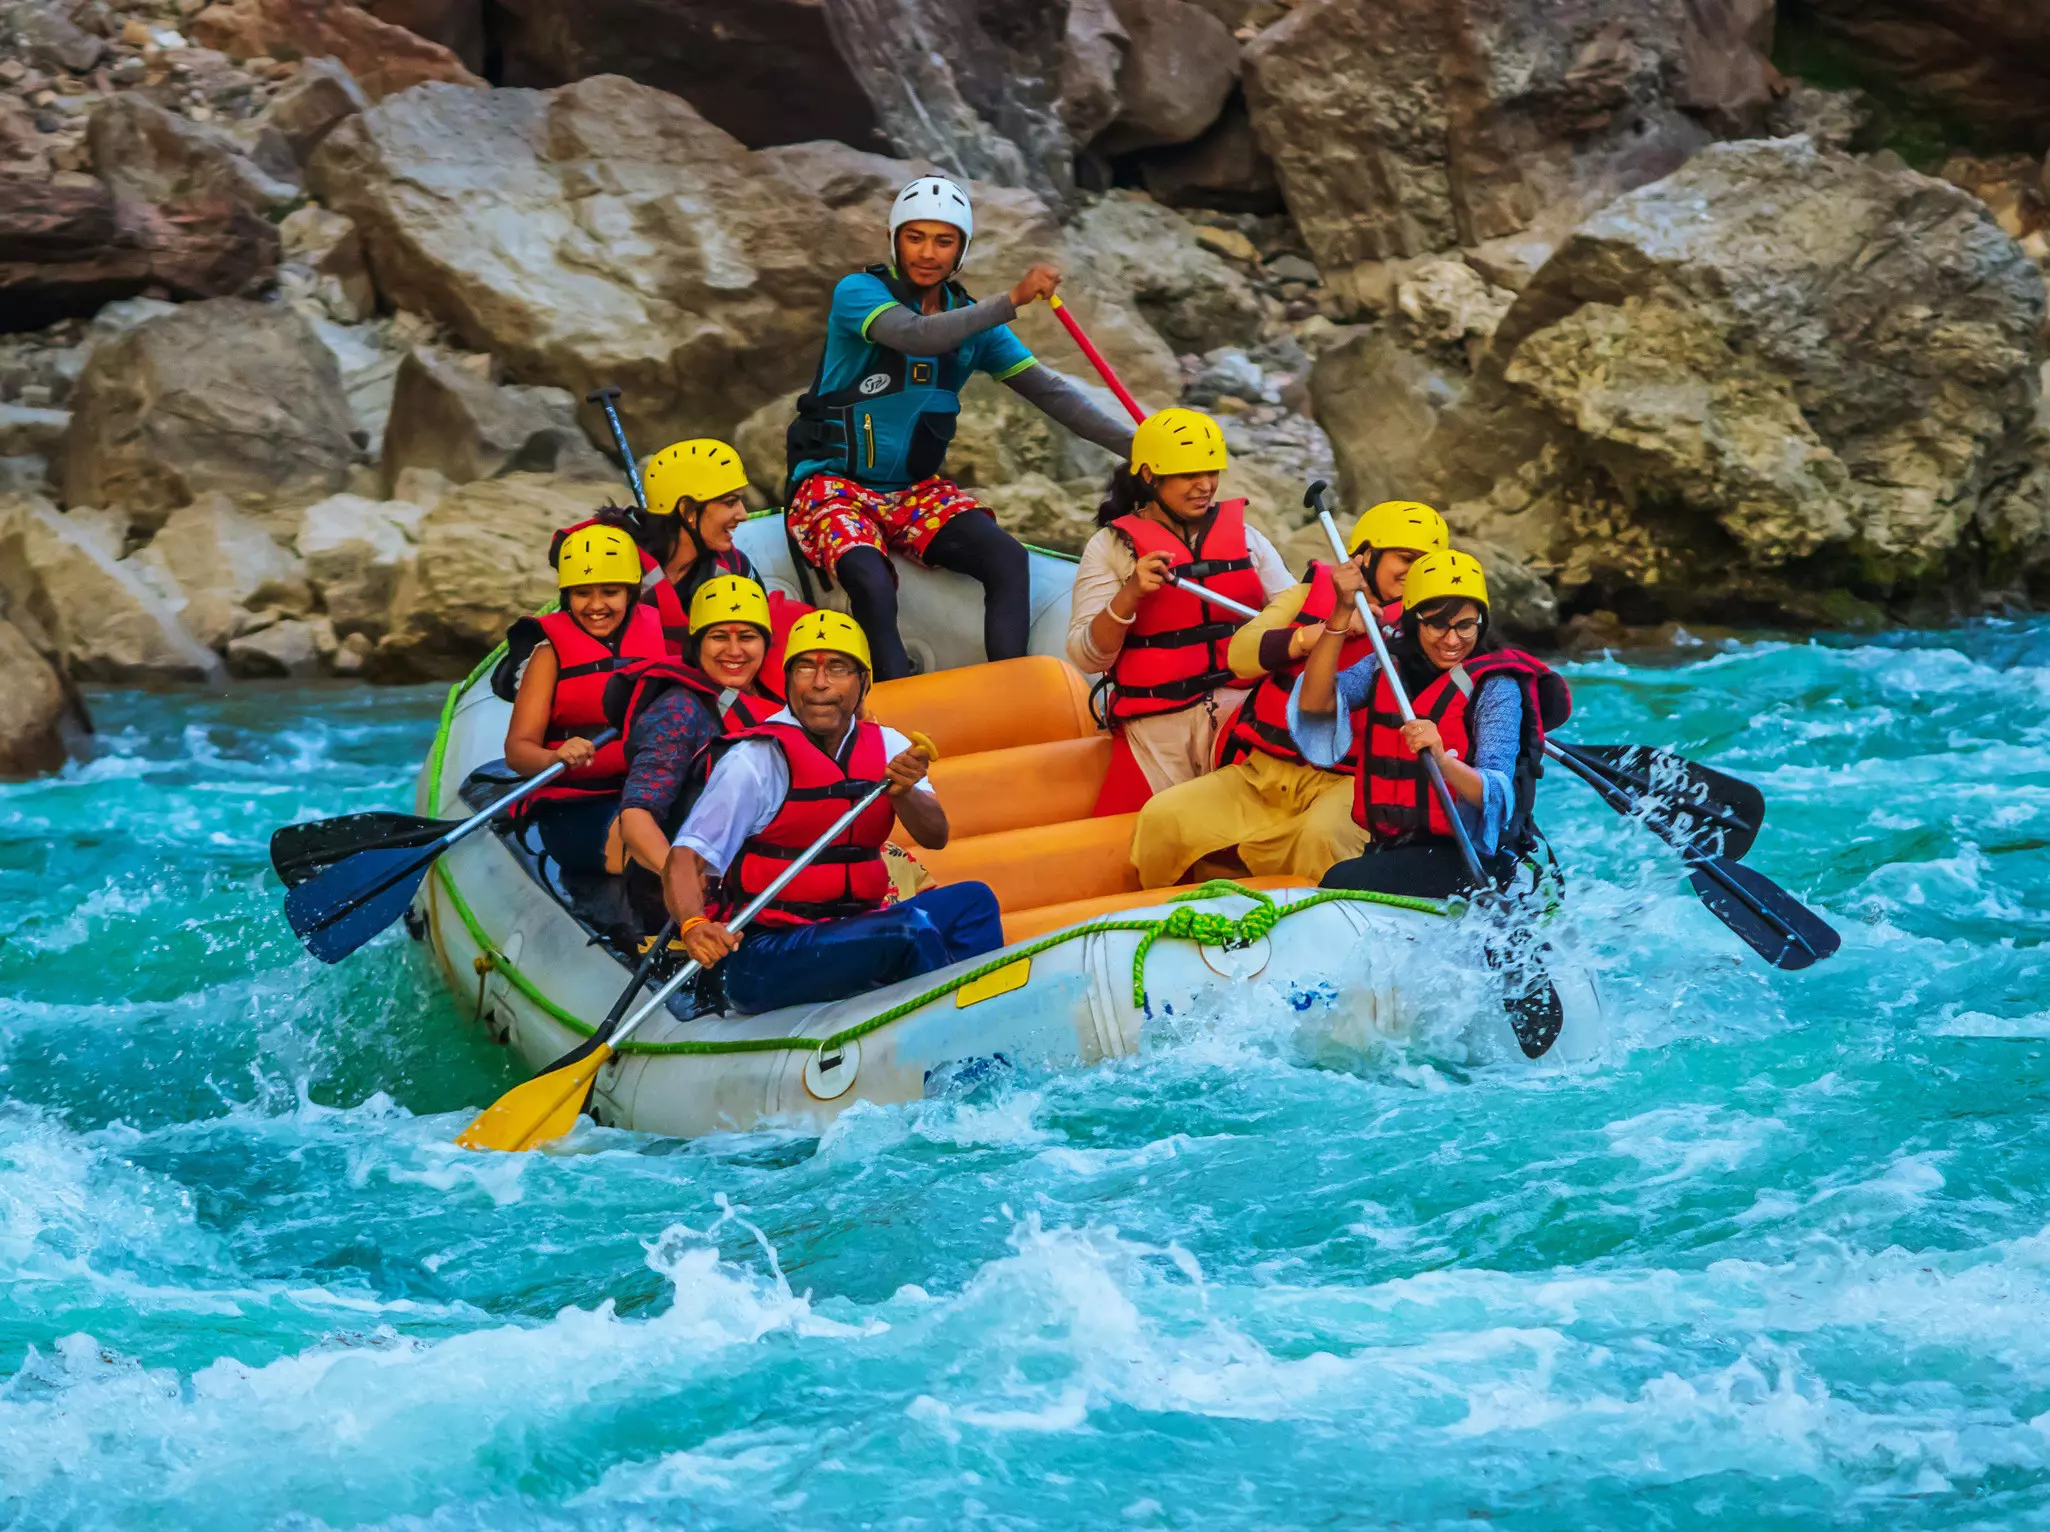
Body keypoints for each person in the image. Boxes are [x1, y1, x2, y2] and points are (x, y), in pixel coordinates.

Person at [785, 174, 1135, 681]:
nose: (928, 253)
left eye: (943, 241)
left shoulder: (976, 328)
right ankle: (890, 704)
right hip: (833, 486)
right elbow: (916, 335)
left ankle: (1009, 694)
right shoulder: (858, 292)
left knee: (1009, 560)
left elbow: (1055, 396)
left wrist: (1140, 445)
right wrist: (1011, 298)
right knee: (869, 575)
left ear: (961, 249)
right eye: (915, 237)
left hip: (913, 492)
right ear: (895, 240)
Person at [661, 609, 1005, 1014]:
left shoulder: (889, 746)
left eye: (838, 669)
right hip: (765, 951)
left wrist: (904, 794)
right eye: (805, 668)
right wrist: (694, 925)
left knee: (973, 904)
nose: (819, 684)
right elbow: (683, 859)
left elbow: (936, 836)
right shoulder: (754, 761)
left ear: (863, 684)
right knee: (909, 932)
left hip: (852, 928)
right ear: (788, 682)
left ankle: (984, 1016)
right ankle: (956, 1039)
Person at [1124, 500, 1450, 887]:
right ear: (1365, 556)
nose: (1414, 572)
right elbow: (1240, 655)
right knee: (1164, 816)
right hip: (1264, 775)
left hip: (1350, 784)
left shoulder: (1433, 630)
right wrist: (1327, 630)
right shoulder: (1305, 596)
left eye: (1425, 564)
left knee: (1322, 838)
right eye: (1406, 558)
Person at [1290, 549, 1571, 899]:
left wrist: (1442, 759)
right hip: (1397, 848)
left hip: (1475, 858)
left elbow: (1497, 796)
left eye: (1465, 625)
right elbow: (1316, 704)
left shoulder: (1497, 686)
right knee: (1347, 874)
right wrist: (1342, 613)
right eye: (1437, 623)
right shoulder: (1388, 665)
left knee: (1340, 879)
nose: (1452, 640)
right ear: (1414, 620)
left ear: (1481, 623)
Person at [1065, 407, 1293, 815]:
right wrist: (1130, 594)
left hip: (1239, 715)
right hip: (1156, 729)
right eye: (1189, 475)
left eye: (1211, 473)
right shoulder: (1110, 547)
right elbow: (1086, 654)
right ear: (1151, 477)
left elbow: (1291, 611)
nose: (1205, 486)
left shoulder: (1246, 538)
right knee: (1129, 848)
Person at [500, 524, 668, 875]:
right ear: (566, 595)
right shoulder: (549, 655)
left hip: (649, 791)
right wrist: (554, 756)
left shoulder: (656, 630)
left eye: (609, 592)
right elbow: (517, 751)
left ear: (630, 592)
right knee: (636, 838)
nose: (595, 606)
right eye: (581, 593)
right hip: (576, 803)